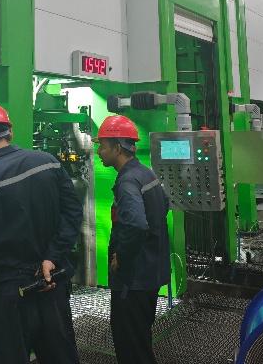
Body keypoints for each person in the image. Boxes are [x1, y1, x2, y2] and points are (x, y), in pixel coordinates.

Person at [0, 103, 83, 364]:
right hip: (51, 282)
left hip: (8, 295)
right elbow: (73, 213)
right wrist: (52, 257)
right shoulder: (47, 162)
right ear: (9, 133)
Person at [94, 115, 170, 364]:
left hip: (133, 280)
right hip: (151, 272)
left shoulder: (127, 182)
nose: (98, 152)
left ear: (117, 148)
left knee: (131, 349)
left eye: (102, 146)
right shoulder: (145, 173)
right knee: (140, 341)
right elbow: (164, 204)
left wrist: (122, 258)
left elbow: (136, 225)